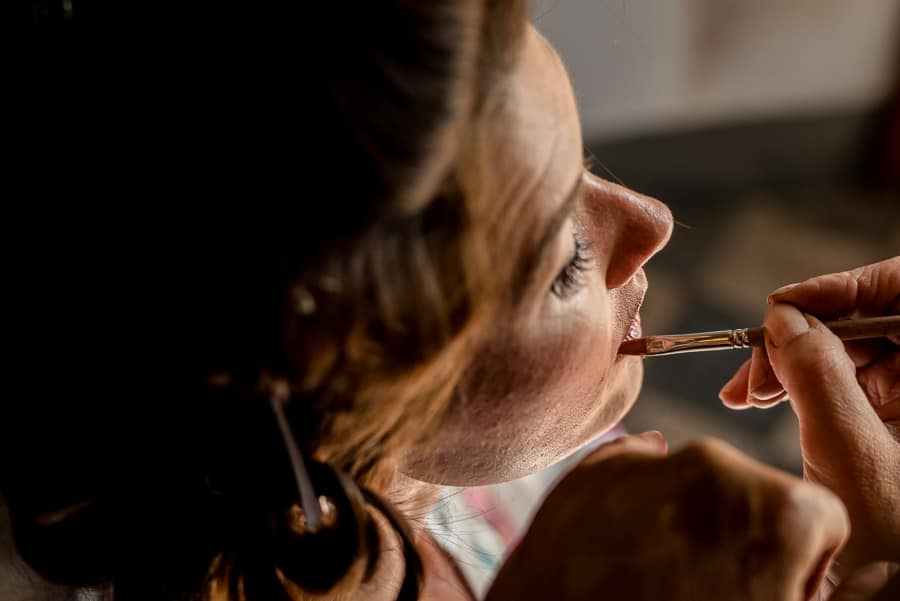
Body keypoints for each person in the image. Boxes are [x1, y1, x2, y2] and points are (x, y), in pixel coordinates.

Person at [1, 2, 897, 600]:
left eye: (584, 164)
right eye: (564, 264)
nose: (655, 219)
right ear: (350, 379)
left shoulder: (449, 458)